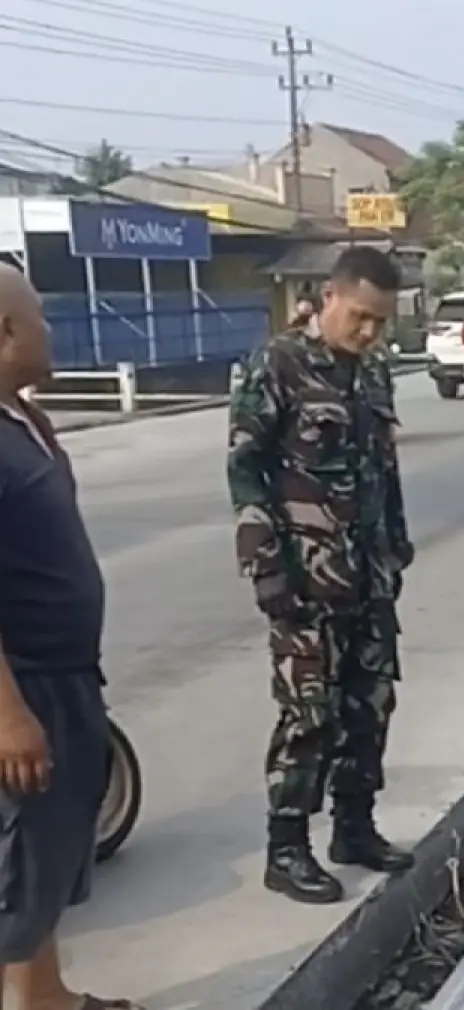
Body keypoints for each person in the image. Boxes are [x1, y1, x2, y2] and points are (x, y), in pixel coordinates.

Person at [227, 246, 417, 904]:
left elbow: (383, 470)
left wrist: (396, 544)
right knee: (309, 714)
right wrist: (264, 566)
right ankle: (287, 848)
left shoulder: (373, 374)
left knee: (371, 702)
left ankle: (354, 828)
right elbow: (244, 468)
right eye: (360, 317)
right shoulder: (276, 364)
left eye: (380, 323)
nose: (369, 332)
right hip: (303, 580)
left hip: (368, 576)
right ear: (328, 298)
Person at [0, 263, 142, 1010]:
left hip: (66, 675)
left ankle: (50, 998)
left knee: (50, 856)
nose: (53, 332)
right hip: (27, 687)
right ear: (5, 333)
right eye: (42, 320)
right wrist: (8, 713)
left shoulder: (18, 420)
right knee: (23, 868)